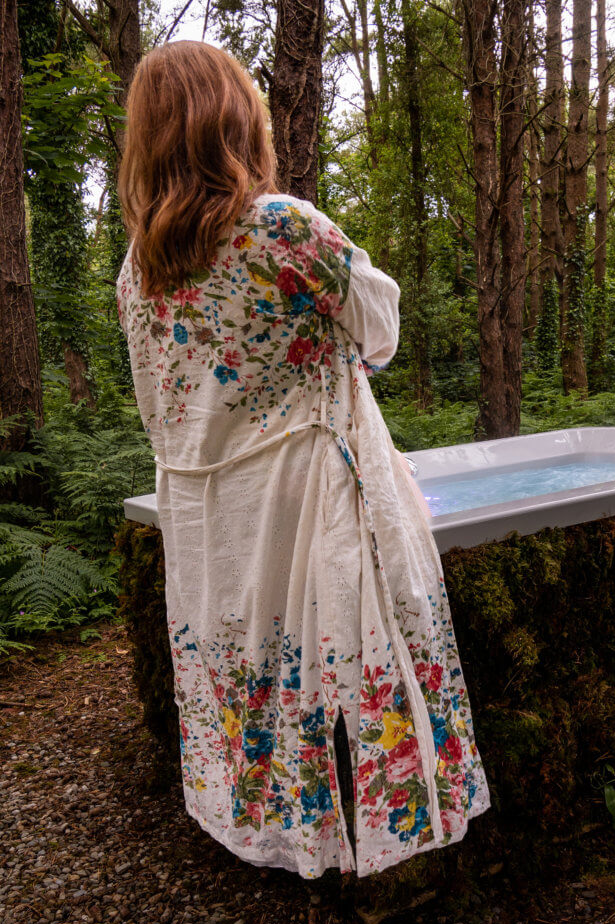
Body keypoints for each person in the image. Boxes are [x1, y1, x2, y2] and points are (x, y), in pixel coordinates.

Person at [116, 40, 489, 878]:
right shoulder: (280, 227)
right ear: (234, 120)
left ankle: (276, 831)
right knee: (347, 671)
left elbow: (160, 408)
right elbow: (378, 328)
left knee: (254, 678)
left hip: (212, 520)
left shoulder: (136, 271)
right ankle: (383, 843)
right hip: (306, 497)